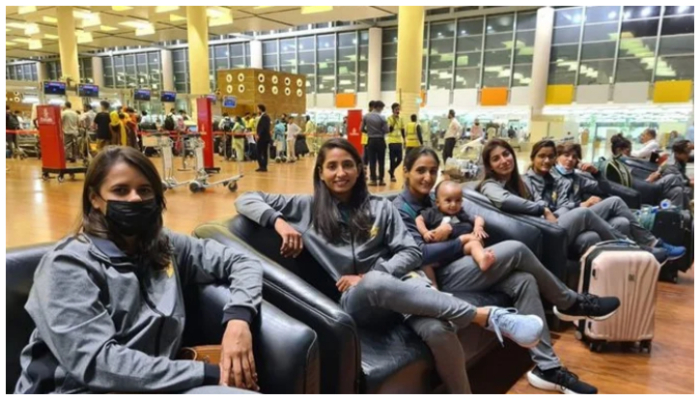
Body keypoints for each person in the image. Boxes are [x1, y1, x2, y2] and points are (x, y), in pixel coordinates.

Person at [235, 138, 546, 394]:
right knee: (372, 284)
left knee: (437, 328)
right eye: (331, 166)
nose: (340, 172)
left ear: (359, 169)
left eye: (347, 165)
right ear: (320, 172)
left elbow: (411, 251)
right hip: (357, 303)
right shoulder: (305, 208)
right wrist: (279, 223)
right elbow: (248, 198)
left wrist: (375, 272)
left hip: (401, 290)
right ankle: (485, 317)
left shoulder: (380, 208)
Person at [14, 146, 262, 394]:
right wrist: (206, 373)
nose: (135, 198)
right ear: (95, 199)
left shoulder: (167, 246)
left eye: (144, 190)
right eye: (120, 190)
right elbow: (98, 364)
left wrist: (238, 319)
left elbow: (243, 262)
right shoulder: (67, 266)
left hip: (153, 386)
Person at [394, 146, 621, 395]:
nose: (427, 177)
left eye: (432, 171)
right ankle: (568, 301)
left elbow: (466, 220)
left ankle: (547, 368)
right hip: (436, 278)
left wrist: (463, 233)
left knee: (524, 280)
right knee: (515, 249)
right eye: (420, 171)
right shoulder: (401, 209)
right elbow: (419, 254)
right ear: (405, 172)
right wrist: (459, 240)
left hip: (464, 264)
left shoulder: (435, 197)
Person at [478, 139, 636, 256]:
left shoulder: (521, 182)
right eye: (496, 158)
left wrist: (596, 173)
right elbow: (516, 203)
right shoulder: (508, 183)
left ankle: (612, 274)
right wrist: (549, 209)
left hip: (548, 222)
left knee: (614, 224)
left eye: (506, 154)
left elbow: (561, 205)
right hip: (539, 231)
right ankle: (630, 248)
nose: (504, 161)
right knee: (586, 212)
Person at [553, 142, 685, 260]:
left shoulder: (577, 178)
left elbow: (604, 189)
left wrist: (596, 173)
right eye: (566, 155)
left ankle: (628, 269)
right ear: (557, 157)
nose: (570, 160)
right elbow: (556, 206)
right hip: (567, 218)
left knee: (621, 222)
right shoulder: (552, 176)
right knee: (615, 201)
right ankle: (648, 245)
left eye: (574, 157)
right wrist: (581, 204)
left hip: (581, 217)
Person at [415, 180, 495, 276]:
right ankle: (433, 287)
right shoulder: (433, 213)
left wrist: (478, 227)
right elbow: (419, 219)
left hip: (460, 250)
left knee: (474, 243)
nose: (453, 205)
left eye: (458, 200)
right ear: (437, 202)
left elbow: (478, 218)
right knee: (425, 265)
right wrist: (425, 232)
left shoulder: (461, 213)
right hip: (440, 254)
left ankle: (482, 260)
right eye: (448, 200)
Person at [603, 134, 687, 209]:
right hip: (643, 189)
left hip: (647, 184)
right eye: (628, 151)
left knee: (677, 190)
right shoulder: (616, 166)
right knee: (673, 178)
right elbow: (630, 184)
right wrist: (650, 179)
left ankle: (678, 220)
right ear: (618, 150)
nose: (630, 154)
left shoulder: (625, 162)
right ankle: (687, 184)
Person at [647, 139, 693, 210]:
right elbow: (685, 182)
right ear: (678, 153)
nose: (688, 155)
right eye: (687, 153)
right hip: (665, 190)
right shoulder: (671, 165)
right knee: (684, 190)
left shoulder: (678, 158)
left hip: (672, 186)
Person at [361, 100, 390, 186]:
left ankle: (373, 180)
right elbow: (387, 130)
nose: (382, 110)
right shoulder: (382, 117)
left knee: (372, 160)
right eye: (382, 108)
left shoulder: (366, 116)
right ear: (379, 107)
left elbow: (361, 129)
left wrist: (369, 132)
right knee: (381, 161)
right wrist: (380, 132)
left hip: (371, 140)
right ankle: (381, 180)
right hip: (380, 140)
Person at [387, 103, 405, 183]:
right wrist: (394, 120)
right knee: (392, 159)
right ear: (393, 110)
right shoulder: (389, 118)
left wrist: (404, 139)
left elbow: (402, 130)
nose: (398, 111)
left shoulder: (401, 119)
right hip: (392, 141)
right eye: (396, 109)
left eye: (398, 109)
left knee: (400, 158)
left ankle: (391, 170)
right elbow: (389, 130)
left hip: (399, 141)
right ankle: (392, 175)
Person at [255, 104, 271, 172]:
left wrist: (259, 135)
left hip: (263, 138)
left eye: (257, 109)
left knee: (260, 152)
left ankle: (262, 166)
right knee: (264, 152)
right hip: (264, 137)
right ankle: (263, 166)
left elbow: (263, 128)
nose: (257, 110)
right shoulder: (264, 116)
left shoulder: (264, 117)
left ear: (260, 109)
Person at [361, 101, 373, 168]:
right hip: (366, 139)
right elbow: (362, 129)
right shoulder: (367, 117)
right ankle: (364, 170)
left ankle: (370, 172)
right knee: (366, 155)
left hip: (372, 139)